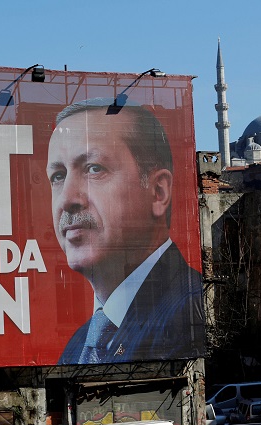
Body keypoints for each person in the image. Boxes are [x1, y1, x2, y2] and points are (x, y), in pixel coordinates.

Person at [46, 98, 205, 365]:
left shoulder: (190, 314)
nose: (67, 199)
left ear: (158, 192)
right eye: (58, 176)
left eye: (94, 169)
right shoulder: (77, 346)